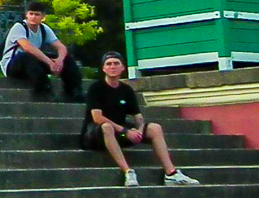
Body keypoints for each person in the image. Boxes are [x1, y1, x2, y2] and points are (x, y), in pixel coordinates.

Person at [80, 51, 200, 188]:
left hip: (120, 132)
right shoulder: (96, 88)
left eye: (116, 63)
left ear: (122, 68)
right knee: (106, 126)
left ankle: (171, 173)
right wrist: (126, 131)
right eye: (108, 64)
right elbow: (97, 118)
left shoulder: (126, 90)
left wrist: (139, 130)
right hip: (95, 134)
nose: (112, 67)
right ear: (103, 68)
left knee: (155, 128)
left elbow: (138, 117)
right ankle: (127, 172)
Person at [0, 0, 83, 100]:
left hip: (33, 65)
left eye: (37, 14)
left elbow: (61, 47)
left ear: (43, 16)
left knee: (67, 59)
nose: (33, 17)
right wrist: (49, 62)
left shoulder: (44, 29)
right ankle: (44, 88)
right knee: (25, 55)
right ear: (26, 15)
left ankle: (74, 90)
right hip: (13, 65)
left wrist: (59, 60)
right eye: (31, 14)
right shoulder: (19, 27)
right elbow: (27, 47)